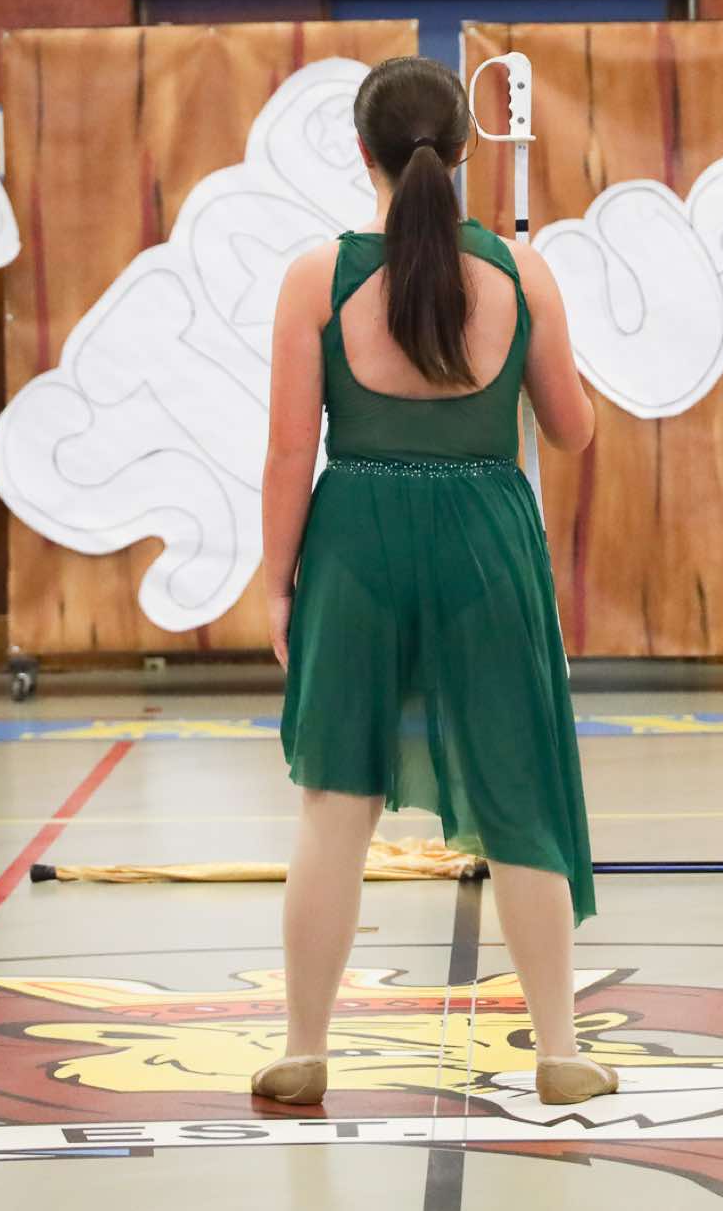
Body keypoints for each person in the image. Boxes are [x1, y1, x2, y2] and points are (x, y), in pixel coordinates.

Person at [252, 55, 613, 1108]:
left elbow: (289, 452)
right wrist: (538, 335)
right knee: (519, 794)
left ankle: (303, 1049)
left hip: (354, 540)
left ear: (361, 150)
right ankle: (558, 1051)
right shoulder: (517, 271)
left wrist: (277, 585)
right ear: (462, 151)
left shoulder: (315, 278)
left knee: (335, 804)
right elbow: (572, 430)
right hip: (485, 540)